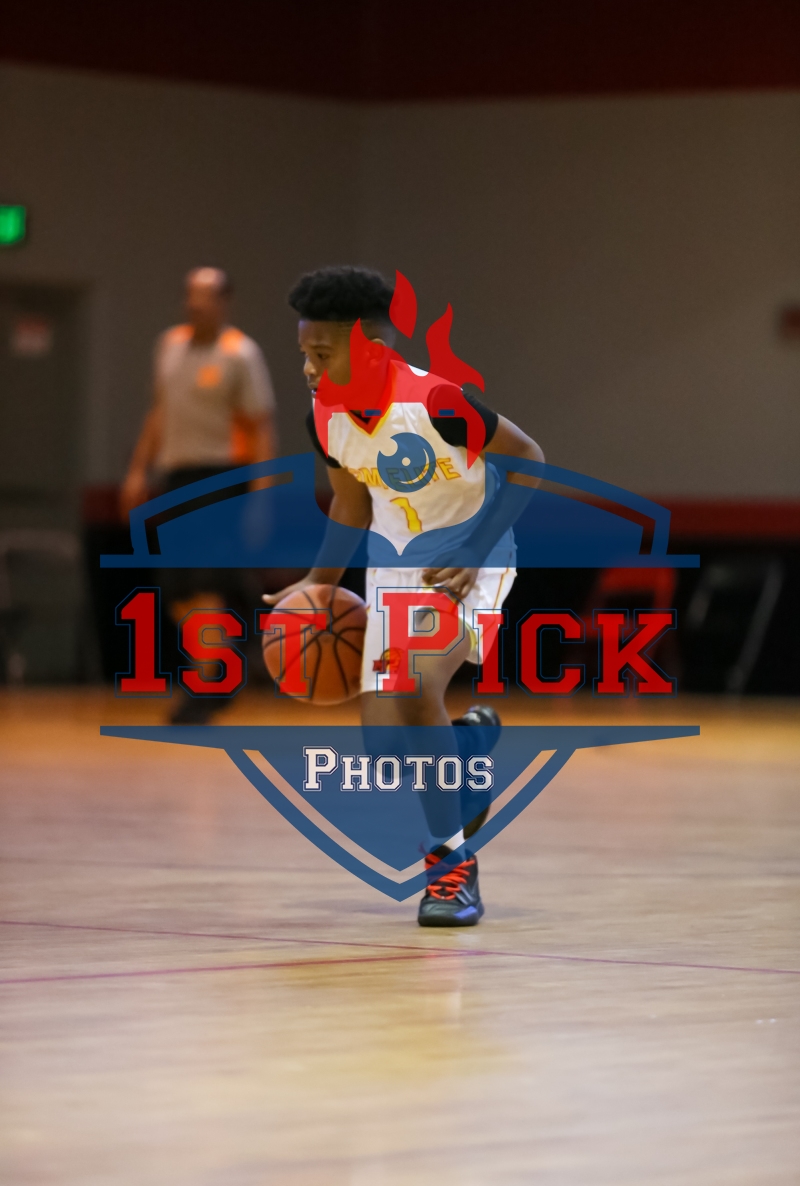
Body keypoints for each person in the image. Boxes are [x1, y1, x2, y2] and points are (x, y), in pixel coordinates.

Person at [263, 266, 544, 926]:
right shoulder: (325, 415)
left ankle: (451, 872)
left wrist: (475, 551)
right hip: (394, 571)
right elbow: (351, 503)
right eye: (303, 353)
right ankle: (465, 751)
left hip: (470, 558)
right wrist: (319, 583)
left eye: (321, 353)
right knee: (387, 750)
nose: (307, 368)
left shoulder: (436, 401)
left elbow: (528, 458)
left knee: (417, 686)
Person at [121, 266, 278, 722]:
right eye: (190, 294)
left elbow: (261, 428)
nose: (195, 303)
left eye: (205, 296)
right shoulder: (169, 345)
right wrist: (138, 469)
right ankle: (225, 658)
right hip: (176, 476)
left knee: (205, 583)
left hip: (221, 478)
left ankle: (207, 683)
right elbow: (159, 410)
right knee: (176, 589)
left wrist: (263, 498)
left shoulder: (240, 354)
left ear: (225, 302)